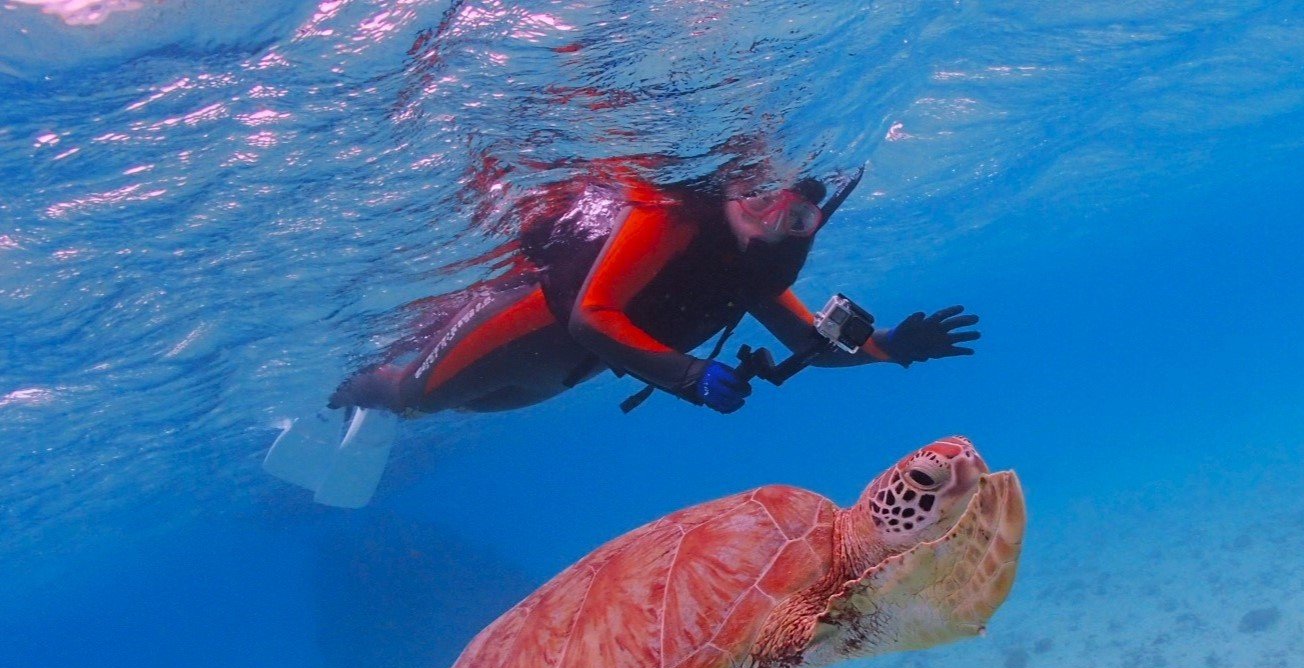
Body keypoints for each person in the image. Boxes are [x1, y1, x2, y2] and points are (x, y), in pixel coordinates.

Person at [263, 170, 980, 507]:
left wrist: (890, 346)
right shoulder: (674, 211)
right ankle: (349, 394)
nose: (770, 216)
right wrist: (690, 376)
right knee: (419, 394)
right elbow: (591, 316)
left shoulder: (758, 266)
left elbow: (807, 340)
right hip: (528, 335)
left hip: (568, 374)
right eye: (760, 194)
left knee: (457, 410)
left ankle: (394, 405)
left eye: (793, 217)